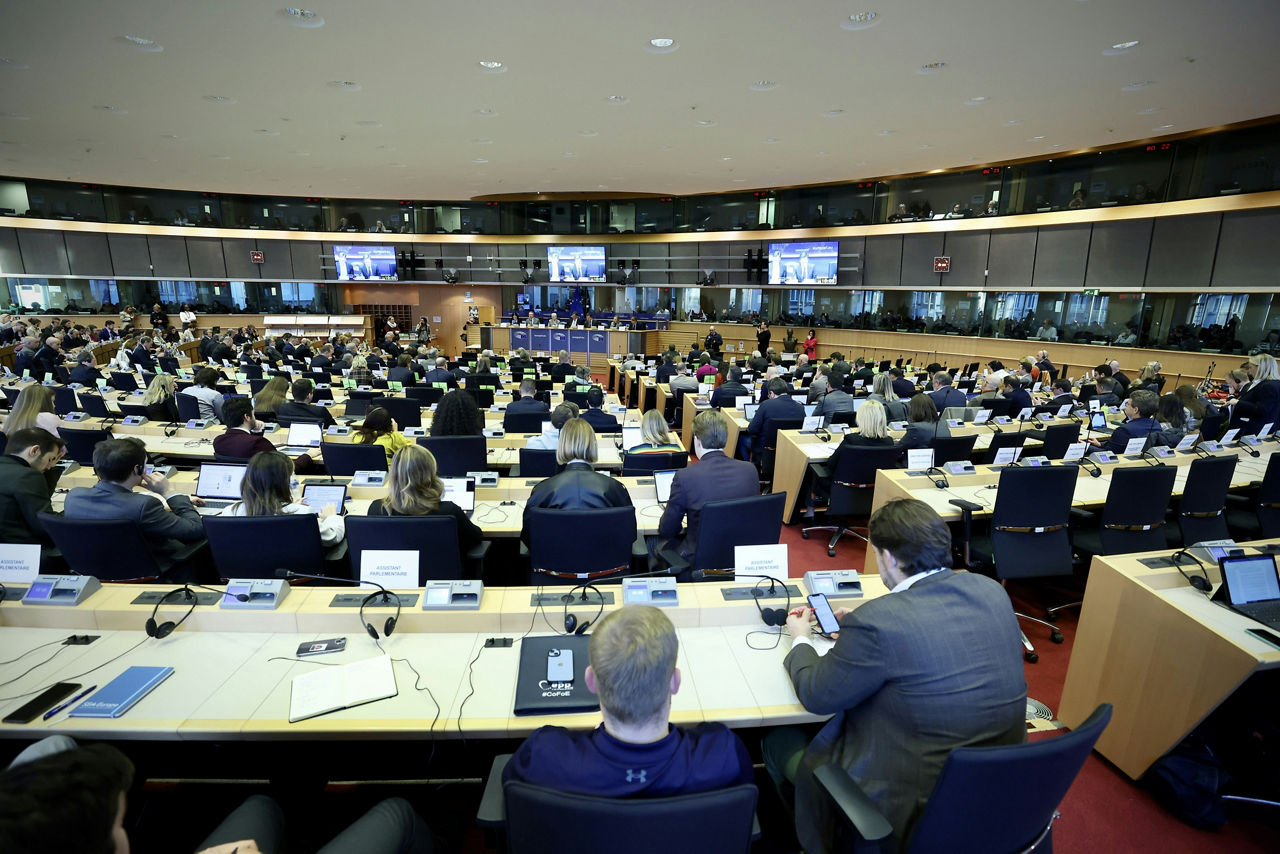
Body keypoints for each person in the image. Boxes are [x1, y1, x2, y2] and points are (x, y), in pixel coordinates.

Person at [766, 498, 1027, 852]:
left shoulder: (878, 621)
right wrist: (856, 639)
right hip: (997, 793)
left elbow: (816, 694)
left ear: (889, 557)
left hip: (906, 808)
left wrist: (800, 639)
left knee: (775, 739)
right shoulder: (991, 591)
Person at [504, 605, 753, 795]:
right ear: (675, 682)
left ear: (590, 681)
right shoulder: (723, 755)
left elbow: (509, 791)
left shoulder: (544, 756)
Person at [64, 437, 207, 573]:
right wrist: (170, 493)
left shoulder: (73, 497)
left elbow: (117, 511)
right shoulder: (144, 505)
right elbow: (195, 529)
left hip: (94, 574)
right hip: (153, 573)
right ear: (137, 469)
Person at [654, 410, 759, 560]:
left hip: (698, 558)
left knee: (653, 545)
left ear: (697, 439)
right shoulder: (750, 470)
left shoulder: (685, 477)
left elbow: (668, 530)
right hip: (740, 557)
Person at [522, 418, 633, 545]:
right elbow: (629, 533)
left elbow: (528, 536)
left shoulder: (542, 490)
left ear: (562, 445)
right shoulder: (615, 488)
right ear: (593, 445)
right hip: (604, 562)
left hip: (554, 563)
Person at [367, 444, 483, 553]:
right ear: (430, 475)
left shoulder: (377, 509)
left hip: (395, 572)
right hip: (440, 573)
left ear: (394, 475)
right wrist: (461, 519)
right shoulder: (449, 512)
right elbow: (476, 538)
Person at [221, 450, 344, 547]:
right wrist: (332, 517)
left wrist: (291, 506)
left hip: (246, 575)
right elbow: (332, 538)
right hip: (295, 577)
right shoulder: (302, 513)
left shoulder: (230, 511)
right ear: (284, 482)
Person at [0, 428, 65, 548]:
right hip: (18, 556)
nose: (50, 466)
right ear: (35, 450)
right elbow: (45, 526)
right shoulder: (27, 476)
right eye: (50, 459)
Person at [1088, 389, 1161, 453]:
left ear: (1135, 410)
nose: (1126, 406)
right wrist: (1100, 444)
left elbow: (1108, 454)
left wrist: (1085, 447)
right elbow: (1118, 446)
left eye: (1128, 404)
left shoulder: (1124, 430)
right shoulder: (1156, 424)